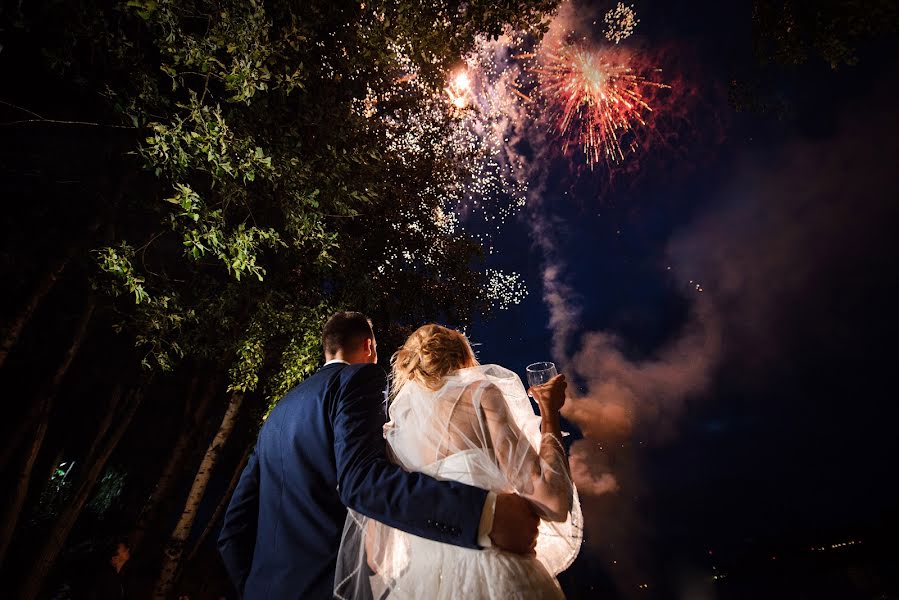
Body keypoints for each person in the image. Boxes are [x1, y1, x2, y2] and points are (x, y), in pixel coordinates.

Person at [218, 312, 541, 599]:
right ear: (370, 346)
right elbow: (360, 483)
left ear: (327, 347)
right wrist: (484, 515)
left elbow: (232, 529)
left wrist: (251, 588)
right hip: (328, 588)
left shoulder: (278, 415)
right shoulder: (357, 379)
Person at [334, 324, 582, 600]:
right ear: (465, 359)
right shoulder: (480, 393)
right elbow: (551, 501)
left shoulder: (394, 432)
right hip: (495, 574)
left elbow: (376, 557)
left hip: (422, 585)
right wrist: (549, 412)